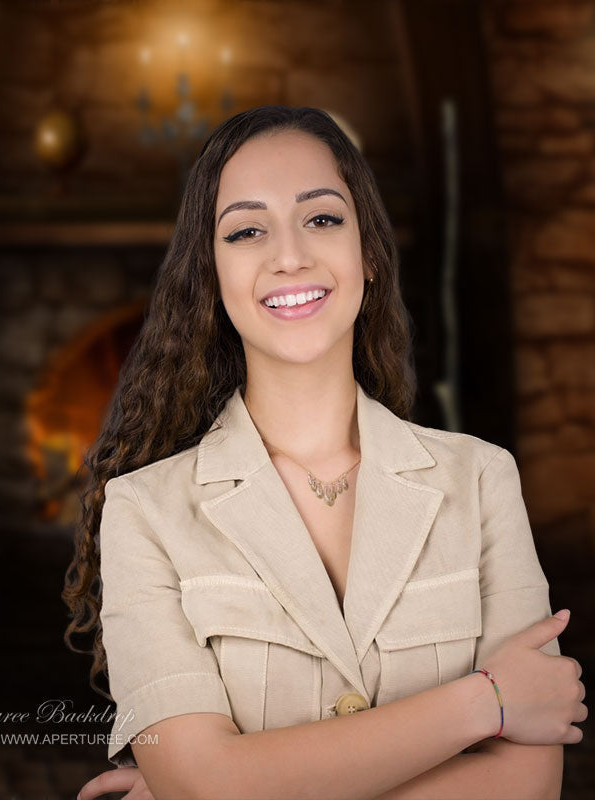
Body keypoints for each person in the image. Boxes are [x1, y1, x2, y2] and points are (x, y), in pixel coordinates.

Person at [62, 106, 586, 800]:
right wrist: (485, 701)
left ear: (367, 253)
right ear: (211, 275)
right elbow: (202, 783)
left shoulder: (483, 480)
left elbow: (528, 785)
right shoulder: (143, 511)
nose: (290, 255)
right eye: (247, 230)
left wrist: (235, 783)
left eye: (322, 218)